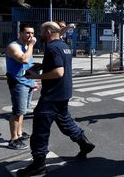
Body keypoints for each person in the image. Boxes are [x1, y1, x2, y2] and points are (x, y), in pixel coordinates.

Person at [17, 22, 95, 177]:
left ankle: (38, 165)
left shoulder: (52, 47)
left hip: (52, 95)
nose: (39, 34)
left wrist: (36, 76)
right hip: (63, 93)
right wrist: (43, 65)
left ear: (47, 32)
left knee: (40, 129)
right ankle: (84, 144)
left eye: (40, 31)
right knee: (65, 121)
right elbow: (59, 65)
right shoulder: (63, 46)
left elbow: (59, 72)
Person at [5, 23, 37, 150]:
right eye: (28, 33)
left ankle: (19, 133)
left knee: (22, 111)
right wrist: (31, 45)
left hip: (27, 81)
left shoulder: (26, 46)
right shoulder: (14, 46)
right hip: (18, 82)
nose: (31, 36)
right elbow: (24, 59)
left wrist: (33, 80)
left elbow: (28, 64)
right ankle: (13, 139)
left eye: (33, 33)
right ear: (20, 33)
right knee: (17, 111)